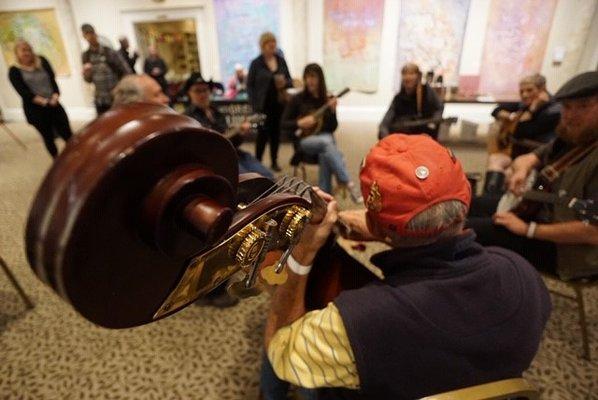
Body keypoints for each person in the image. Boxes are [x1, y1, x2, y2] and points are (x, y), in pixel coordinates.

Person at [262, 134, 551, 399]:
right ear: (464, 204)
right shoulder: (522, 274)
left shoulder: (359, 321)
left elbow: (282, 353)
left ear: (375, 223)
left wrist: (302, 254)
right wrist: (384, 232)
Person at [468, 71, 598, 280]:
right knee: (464, 203)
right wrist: (521, 171)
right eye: (567, 107)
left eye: (583, 106)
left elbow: (593, 232)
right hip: (537, 210)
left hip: (567, 251)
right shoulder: (574, 137)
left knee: (465, 231)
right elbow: (529, 158)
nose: (571, 116)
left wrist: (528, 229)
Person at [281, 63, 361, 202]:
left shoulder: (327, 99)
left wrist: (332, 111)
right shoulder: (297, 99)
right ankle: (348, 182)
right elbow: (283, 124)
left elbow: (332, 127)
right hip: (304, 142)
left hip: (324, 143)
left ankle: (325, 198)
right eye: (307, 77)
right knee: (329, 143)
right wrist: (299, 123)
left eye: (313, 77)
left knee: (326, 149)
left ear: (320, 79)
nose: (310, 80)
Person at [183, 72, 274, 179]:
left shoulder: (217, 113)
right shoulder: (186, 118)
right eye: (198, 91)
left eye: (205, 90)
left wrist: (240, 134)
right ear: (189, 93)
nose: (203, 94)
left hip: (233, 153)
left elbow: (231, 140)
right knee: (249, 182)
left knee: (268, 177)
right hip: (215, 161)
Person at [484, 74, 560, 195]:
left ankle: (496, 203)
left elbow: (520, 132)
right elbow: (496, 110)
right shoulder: (524, 104)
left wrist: (532, 110)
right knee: (495, 159)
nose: (525, 95)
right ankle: (488, 198)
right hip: (517, 153)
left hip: (537, 159)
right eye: (522, 91)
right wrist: (510, 116)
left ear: (542, 89)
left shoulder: (554, 110)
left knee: (509, 173)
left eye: (530, 90)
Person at [8, 40, 72, 158]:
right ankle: (56, 161)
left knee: (67, 134)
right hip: (36, 110)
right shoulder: (14, 71)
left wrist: (55, 96)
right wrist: (45, 102)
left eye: (28, 49)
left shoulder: (42, 61)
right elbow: (24, 93)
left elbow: (52, 81)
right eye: (23, 50)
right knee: (48, 137)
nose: (27, 53)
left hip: (54, 103)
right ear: (17, 53)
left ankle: (75, 157)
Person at [247, 32, 292, 172]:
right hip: (262, 106)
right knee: (262, 135)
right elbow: (250, 85)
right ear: (262, 45)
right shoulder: (256, 63)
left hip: (279, 105)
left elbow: (290, 80)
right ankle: (258, 162)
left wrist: (285, 82)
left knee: (275, 135)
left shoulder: (281, 60)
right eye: (268, 42)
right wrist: (254, 105)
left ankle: (274, 161)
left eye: (273, 42)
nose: (272, 44)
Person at [378, 62, 444, 140]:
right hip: (403, 132)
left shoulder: (426, 92)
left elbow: (439, 107)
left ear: (418, 76)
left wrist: (433, 122)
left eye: (411, 74)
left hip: (421, 133)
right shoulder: (398, 97)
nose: (408, 77)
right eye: (405, 74)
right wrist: (386, 136)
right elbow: (386, 120)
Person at [81, 24, 130, 115]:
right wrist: (87, 73)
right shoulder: (86, 55)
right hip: (100, 99)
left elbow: (126, 71)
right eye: (86, 35)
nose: (89, 37)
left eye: (91, 34)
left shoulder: (109, 52)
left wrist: (120, 88)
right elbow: (88, 80)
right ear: (83, 36)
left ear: (95, 34)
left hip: (115, 97)